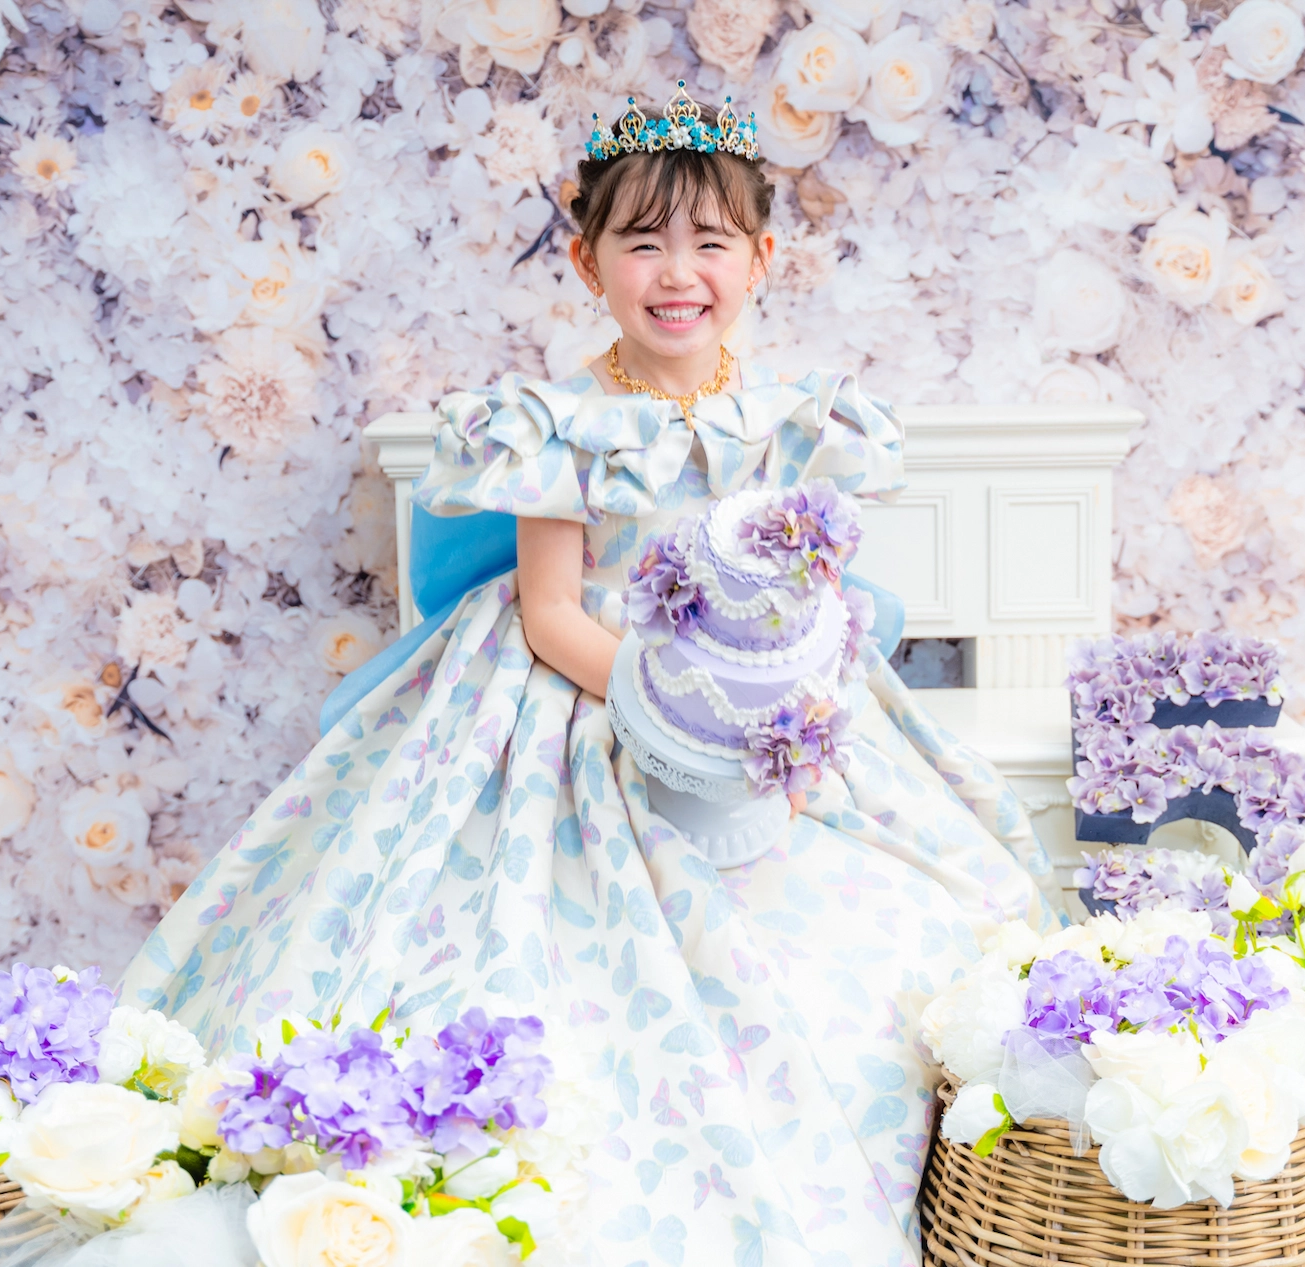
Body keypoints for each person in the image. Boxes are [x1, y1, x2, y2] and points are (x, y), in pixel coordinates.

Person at [122, 84, 1059, 1265]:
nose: (678, 273)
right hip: (587, 696)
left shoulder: (793, 423)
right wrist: (673, 710)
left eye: (710, 242)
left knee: (891, 934)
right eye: (642, 242)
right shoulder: (559, 424)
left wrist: (764, 703)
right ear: (586, 259)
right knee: (509, 968)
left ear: (761, 259)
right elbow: (553, 610)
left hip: (759, 705)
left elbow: (802, 592)